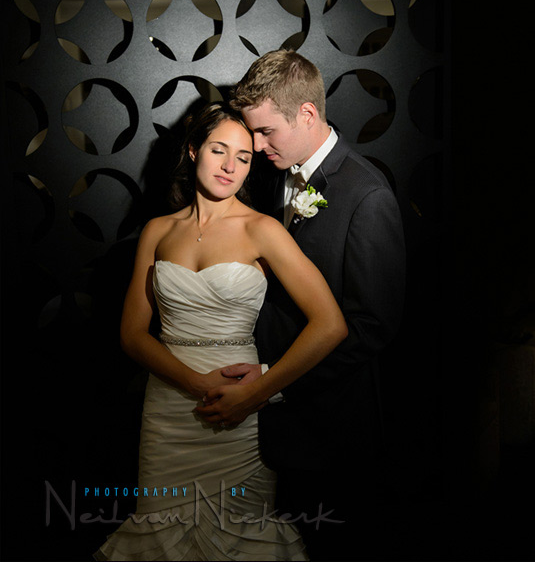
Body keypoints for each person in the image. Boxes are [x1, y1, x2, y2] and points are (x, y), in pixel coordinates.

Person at [95, 102, 347, 560]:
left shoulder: (263, 229)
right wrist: (193, 382)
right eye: (218, 150)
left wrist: (256, 393)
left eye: (245, 157)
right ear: (193, 151)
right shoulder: (156, 231)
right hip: (168, 415)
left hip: (238, 412)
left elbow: (331, 325)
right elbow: (132, 335)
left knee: (239, 542)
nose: (231, 166)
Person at [200, 49, 405, 559]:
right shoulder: (273, 174)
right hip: (268, 426)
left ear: (308, 114)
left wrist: (272, 381)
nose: (256, 144)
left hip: (330, 427)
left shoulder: (367, 196)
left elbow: (372, 326)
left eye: (267, 131)